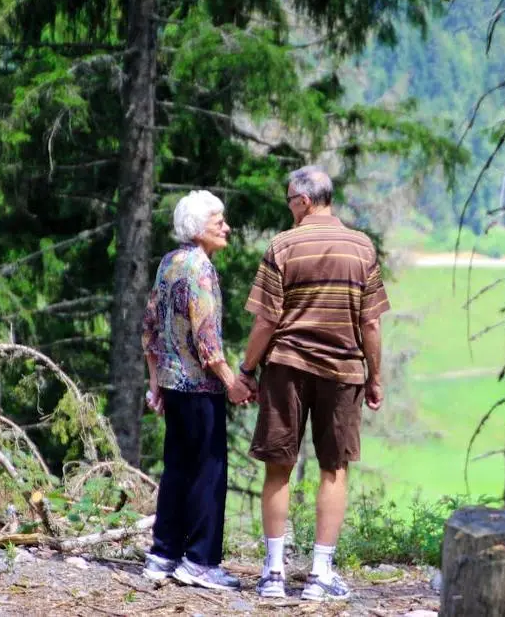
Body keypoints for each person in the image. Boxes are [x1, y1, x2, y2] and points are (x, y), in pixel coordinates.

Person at [236, 166, 389, 601]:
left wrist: (246, 371)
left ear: (303, 201)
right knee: (334, 469)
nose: (289, 208)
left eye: (289, 200)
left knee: (278, 468)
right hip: (342, 373)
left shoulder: (282, 245)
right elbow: (371, 322)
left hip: (286, 368)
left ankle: (273, 574)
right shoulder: (361, 247)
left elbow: (267, 320)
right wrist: (375, 377)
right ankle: (320, 575)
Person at [140, 190, 252, 591]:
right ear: (198, 227)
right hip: (201, 387)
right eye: (218, 220)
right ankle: (200, 561)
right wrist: (232, 383)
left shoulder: (169, 262)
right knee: (208, 472)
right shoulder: (201, 269)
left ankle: (163, 553)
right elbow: (208, 341)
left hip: (173, 386)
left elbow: (149, 328)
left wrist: (155, 385)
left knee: (177, 470)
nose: (226, 227)